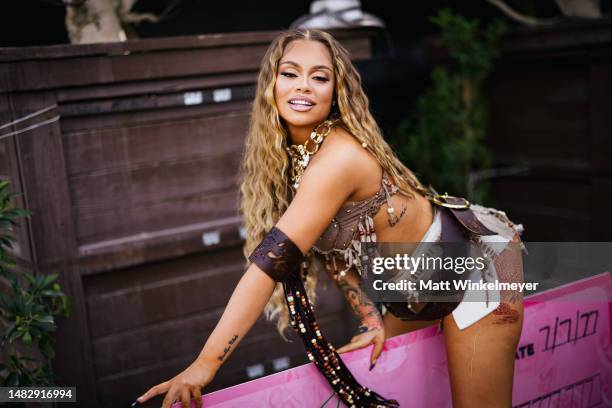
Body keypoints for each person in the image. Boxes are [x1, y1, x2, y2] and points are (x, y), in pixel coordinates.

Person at [135, 28, 525, 408]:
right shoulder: (293, 160)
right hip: (417, 289)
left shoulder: (337, 157)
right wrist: (371, 316)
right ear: (271, 84)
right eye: (290, 73)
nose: (303, 85)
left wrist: (205, 365)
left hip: (476, 262)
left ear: (335, 93)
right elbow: (336, 253)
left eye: (319, 77)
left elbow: (269, 265)